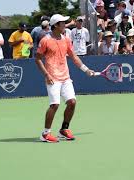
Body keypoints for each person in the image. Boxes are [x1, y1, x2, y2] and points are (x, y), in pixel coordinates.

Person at [35, 14, 95, 143]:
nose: (65, 24)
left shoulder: (66, 39)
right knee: (55, 104)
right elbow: (38, 59)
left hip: (65, 77)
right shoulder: (45, 40)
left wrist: (86, 69)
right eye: (63, 23)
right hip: (52, 77)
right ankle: (45, 134)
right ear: (56, 25)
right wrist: (46, 74)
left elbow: (73, 57)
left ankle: (64, 129)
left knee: (72, 102)